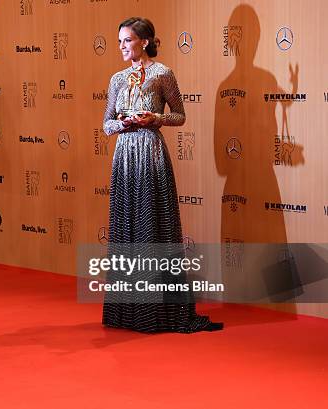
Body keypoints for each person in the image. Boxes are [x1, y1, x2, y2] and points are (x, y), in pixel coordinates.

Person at [101, 17, 223, 333]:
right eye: (119, 41)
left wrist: (154, 117)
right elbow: (106, 125)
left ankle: (161, 311)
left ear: (145, 40)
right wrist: (124, 124)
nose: (122, 47)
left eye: (127, 40)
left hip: (152, 153)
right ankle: (128, 312)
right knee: (126, 225)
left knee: (153, 224)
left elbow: (179, 116)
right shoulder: (116, 79)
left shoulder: (162, 74)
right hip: (125, 156)